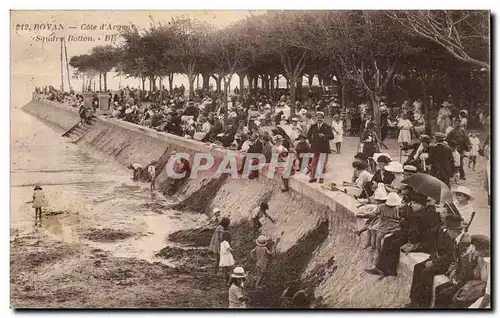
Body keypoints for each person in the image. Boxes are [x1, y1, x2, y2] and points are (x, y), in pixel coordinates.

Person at [407, 214, 464, 308]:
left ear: (454, 230)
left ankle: (424, 304)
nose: (447, 231)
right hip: (439, 259)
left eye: (449, 229)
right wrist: (431, 259)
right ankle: (414, 299)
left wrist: (434, 263)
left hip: (447, 263)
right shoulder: (445, 233)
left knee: (427, 272)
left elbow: (450, 256)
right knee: (418, 267)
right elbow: (436, 248)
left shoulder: (458, 240)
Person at [307, 111, 334, 183]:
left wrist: (324, 136)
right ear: (316, 118)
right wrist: (310, 142)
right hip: (315, 147)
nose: (319, 118)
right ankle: (313, 177)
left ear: (323, 118)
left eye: (320, 117)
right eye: (317, 117)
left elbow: (331, 136)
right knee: (314, 163)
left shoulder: (327, 126)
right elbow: (308, 135)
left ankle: (321, 178)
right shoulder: (313, 126)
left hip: (324, 147)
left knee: (323, 163)